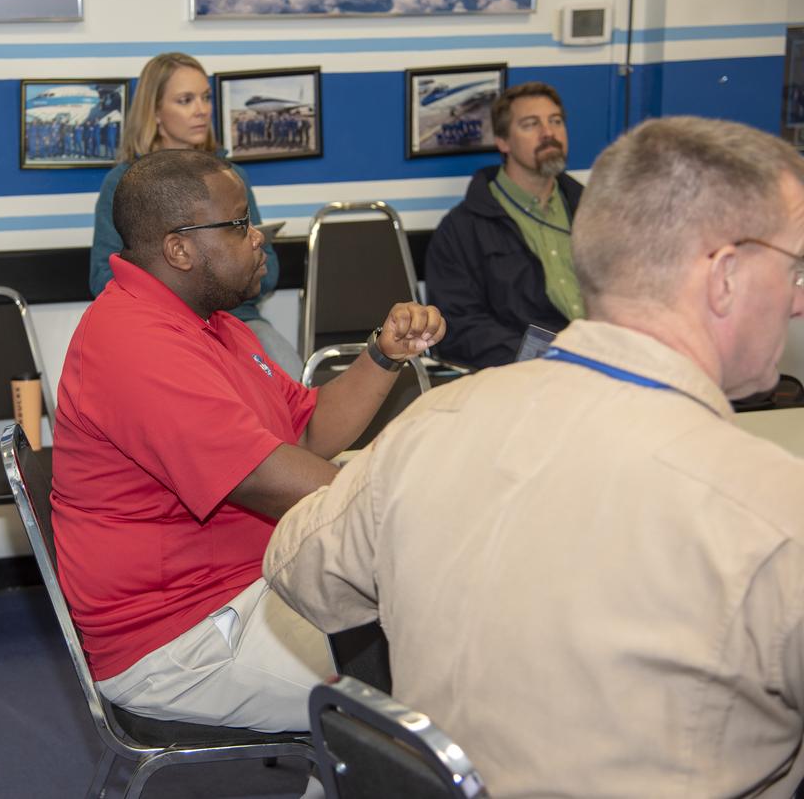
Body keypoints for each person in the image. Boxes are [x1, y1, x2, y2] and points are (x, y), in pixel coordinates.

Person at [263, 116, 804, 796]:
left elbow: (297, 569)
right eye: (796, 267)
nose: (798, 301)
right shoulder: (774, 514)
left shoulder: (436, 423)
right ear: (723, 277)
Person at [52, 148, 444, 736]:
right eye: (238, 225)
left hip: (244, 585)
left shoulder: (215, 323)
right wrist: (432, 496)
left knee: (429, 619)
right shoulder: (133, 342)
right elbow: (275, 481)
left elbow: (309, 433)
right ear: (179, 249)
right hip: (182, 642)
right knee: (437, 685)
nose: (258, 236)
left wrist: (382, 355)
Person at [89, 51, 303, 379]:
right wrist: (194, 283)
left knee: (294, 384)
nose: (201, 110)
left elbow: (269, 272)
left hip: (239, 322)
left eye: (205, 97)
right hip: (158, 330)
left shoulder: (231, 178)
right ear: (155, 112)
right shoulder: (122, 182)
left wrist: (246, 258)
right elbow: (102, 278)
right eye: (185, 100)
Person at [425, 82, 584, 368]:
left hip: (608, 366)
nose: (549, 133)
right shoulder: (462, 229)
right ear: (502, 141)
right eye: (530, 124)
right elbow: (460, 326)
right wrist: (538, 356)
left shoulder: (596, 211)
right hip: (524, 377)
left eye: (556, 121)